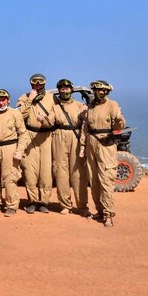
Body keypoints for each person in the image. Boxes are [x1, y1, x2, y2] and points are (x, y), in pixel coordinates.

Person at [79, 80, 126, 227]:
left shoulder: (112, 105)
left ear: (106, 91)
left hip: (105, 144)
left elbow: (120, 125)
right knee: (93, 180)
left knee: (106, 179)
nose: (98, 92)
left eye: (101, 90)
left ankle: (108, 214)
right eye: (95, 90)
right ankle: (99, 210)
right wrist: (82, 146)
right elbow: (85, 128)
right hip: (91, 143)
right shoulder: (91, 107)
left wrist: (118, 118)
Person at [45, 79, 89, 216]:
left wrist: (86, 112)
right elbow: (49, 121)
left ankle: (82, 206)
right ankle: (65, 205)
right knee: (60, 172)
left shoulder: (78, 105)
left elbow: (86, 120)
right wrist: (42, 119)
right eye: (62, 89)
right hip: (59, 136)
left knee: (78, 173)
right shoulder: (55, 107)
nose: (65, 91)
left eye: (67, 88)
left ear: (71, 89)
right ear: (59, 91)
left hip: (75, 136)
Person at [0, 89, 28, 217]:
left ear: (8, 100)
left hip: (9, 148)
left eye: (3, 100)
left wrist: (19, 151)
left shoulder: (15, 114)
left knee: (10, 177)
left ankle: (11, 205)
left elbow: (23, 134)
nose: (1, 103)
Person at [17, 73, 55, 214]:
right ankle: (32, 201)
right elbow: (19, 115)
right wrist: (29, 100)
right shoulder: (24, 97)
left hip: (46, 136)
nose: (37, 87)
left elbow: (55, 117)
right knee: (30, 171)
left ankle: (44, 202)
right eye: (35, 84)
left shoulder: (52, 98)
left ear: (44, 84)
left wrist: (45, 119)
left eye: (40, 84)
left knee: (45, 172)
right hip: (29, 136)